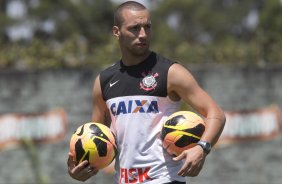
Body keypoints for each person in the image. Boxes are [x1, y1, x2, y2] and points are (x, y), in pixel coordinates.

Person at [68, 1, 226, 183]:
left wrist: (202, 148)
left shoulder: (171, 72)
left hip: (165, 179)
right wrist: (77, 168)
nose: (143, 34)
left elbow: (216, 114)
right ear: (116, 32)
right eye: (135, 28)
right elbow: (95, 138)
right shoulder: (103, 81)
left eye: (147, 27)